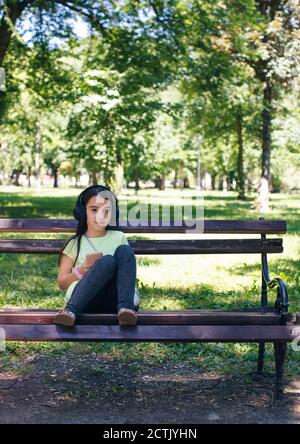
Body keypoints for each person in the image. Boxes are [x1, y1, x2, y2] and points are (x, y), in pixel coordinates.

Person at [55, 184, 139, 327]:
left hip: (114, 300)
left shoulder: (118, 237)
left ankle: (126, 309)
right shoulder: (76, 243)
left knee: (123, 252)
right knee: (107, 261)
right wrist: (80, 271)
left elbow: (126, 270)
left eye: (106, 211)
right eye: (94, 210)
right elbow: (61, 283)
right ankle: (70, 312)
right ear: (83, 212)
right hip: (85, 302)